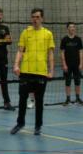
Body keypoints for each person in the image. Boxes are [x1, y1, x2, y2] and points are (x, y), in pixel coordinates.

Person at [10, 8, 55, 136]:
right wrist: (16, 65)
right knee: (22, 98)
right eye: (33, 17)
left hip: (41, 72)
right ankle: (20, 123)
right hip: (25, 71)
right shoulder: (25, 32)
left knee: (39, 101)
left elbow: (50, 54)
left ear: (42, 18)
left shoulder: (48, 34)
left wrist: (51, 71)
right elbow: (20, 50)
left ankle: (38, 126)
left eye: (37, 17)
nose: (35, 19)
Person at [60, 22, 83, 106]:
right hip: (67, 65)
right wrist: (64, 64)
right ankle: (68, 99)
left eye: (73, 27)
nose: (72, 28)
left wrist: (81, 63)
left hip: (77, 64)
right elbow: (62, 52)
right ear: (67, 29)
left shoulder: (78, 39)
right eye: (70, 27)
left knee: (77, 82)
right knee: (68, 82)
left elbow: (81, 51)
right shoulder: (64, 39)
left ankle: (78, 98)